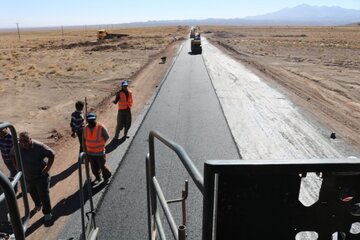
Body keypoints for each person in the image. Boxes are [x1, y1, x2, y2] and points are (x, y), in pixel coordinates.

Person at [11, 132, 55, 223]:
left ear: (30, 139)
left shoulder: (39, 146)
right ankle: (38, 205)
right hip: (27, 176)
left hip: (40, 175)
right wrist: (17, 167)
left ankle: (47, 212)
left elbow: (52, 154)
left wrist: (47, 168)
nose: (23, 143)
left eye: (26, 141)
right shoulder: (17, 146)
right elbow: (11, 155)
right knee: (32, 192)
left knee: (43, 193)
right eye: (21, 141)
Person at [83, 112, 112, 183]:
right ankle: (98, 177)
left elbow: (106, 137)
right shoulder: (85, 129)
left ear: (95, 119)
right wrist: (85, 151)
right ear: (87, 121)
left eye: (92, 120)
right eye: (89, 121)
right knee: (94, 168)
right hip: (90, 153)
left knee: (102, 166)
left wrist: (101, 144)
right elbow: (84, 140)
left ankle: (107, 176)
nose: (91, 122)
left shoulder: (101, 127)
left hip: (100, 153)